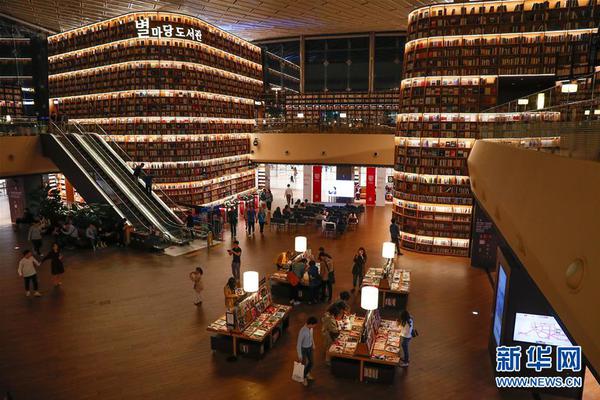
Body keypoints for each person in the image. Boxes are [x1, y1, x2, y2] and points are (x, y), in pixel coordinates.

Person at [296, 316, 318, 387]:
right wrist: (299, 355)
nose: (314, 327)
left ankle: (306, 373)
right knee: (303, 364)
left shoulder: (311, 328)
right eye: (314, 325)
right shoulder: (302, 331)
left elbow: (311, 337)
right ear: (310, 324)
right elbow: (299, 344)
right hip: (304, 349)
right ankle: (304, 377)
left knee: (311, 362)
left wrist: (313, 344)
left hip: (310, 347)